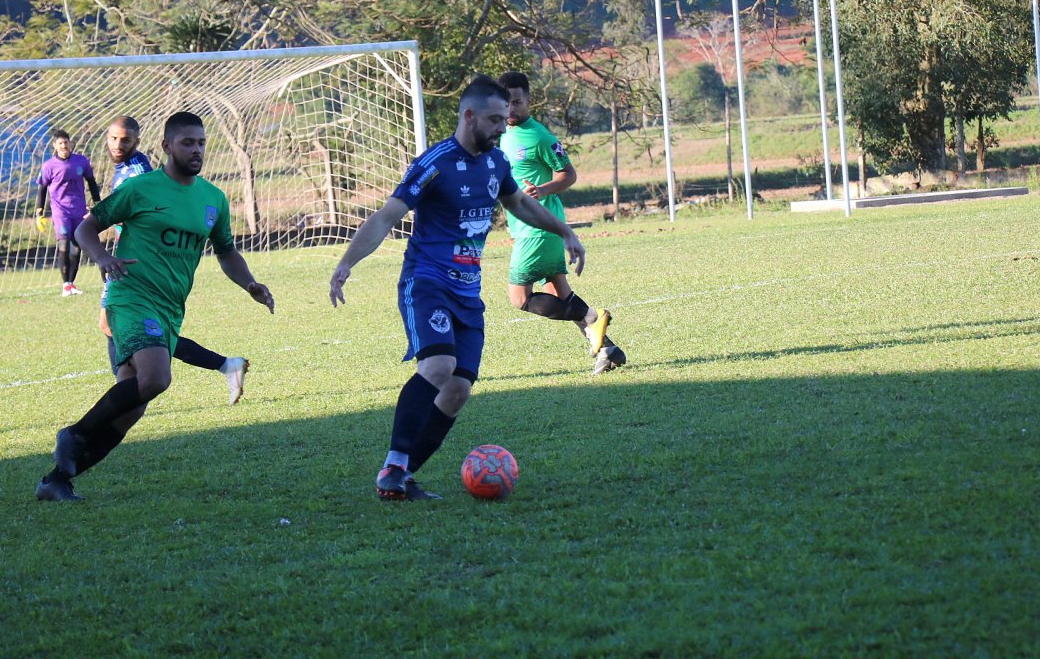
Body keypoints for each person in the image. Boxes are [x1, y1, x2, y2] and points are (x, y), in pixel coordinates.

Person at [329, 75, 586, 502]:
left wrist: (564, 231)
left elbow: (520, 203)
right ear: (469, 116)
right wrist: (346, 262)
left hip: (469, 292)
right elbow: (387, 215)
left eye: (505, 119)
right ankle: (393, 465)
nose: (503, 128)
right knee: (438, 367)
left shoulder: (495, 162)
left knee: (456, 391)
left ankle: (402, 478)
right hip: (427, 280)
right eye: (495, 120)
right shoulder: (435, 162)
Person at [35, 111, 275, 502]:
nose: (196, 150)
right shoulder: (141, 189)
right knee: (156, 379)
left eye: (200, 143)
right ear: (166, 146)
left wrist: (249, 283)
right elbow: (84, 228)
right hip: (130, 296)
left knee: (131, 409)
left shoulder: (213, 199)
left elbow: (227, 251)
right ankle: (74, 435)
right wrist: (102, 258)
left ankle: (57, 480)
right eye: (187, 143)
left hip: (169, 307)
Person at [100, 115, 250, 404]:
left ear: (142, 142)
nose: (118, 145)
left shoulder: (139, 175)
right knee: (112, 326)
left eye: (126, 139)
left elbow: (152, 216)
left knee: (126, 330)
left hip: (138, 272)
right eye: (113, 138)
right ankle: (128, 391)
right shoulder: (125, 170)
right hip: (125, 266)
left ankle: (221, 365)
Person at [496, 71, 627, 375]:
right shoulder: (499, 134)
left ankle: (593, 317)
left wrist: (542, 190)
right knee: (560, 294)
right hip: (526, 227)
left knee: (519, 298)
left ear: (528, 100)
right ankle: (608, 350)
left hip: (539, 229)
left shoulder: (539, 136)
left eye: (517, 102)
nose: (511, 109)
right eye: (506, 104)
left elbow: (568, 174)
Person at [36, 129, 101, 296]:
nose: (64, 146)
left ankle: (71, 283)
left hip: (79, 211)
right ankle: (65, 285)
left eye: (66, 142)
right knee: (63, 245)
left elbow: (92, 182)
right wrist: (39, 212)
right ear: (55, 146)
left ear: (70, 143)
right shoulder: (49, 166)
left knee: (77, 247)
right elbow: (42, 189)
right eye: (60, 143)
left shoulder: (81, 161)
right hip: (60, 211)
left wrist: (98, 203)